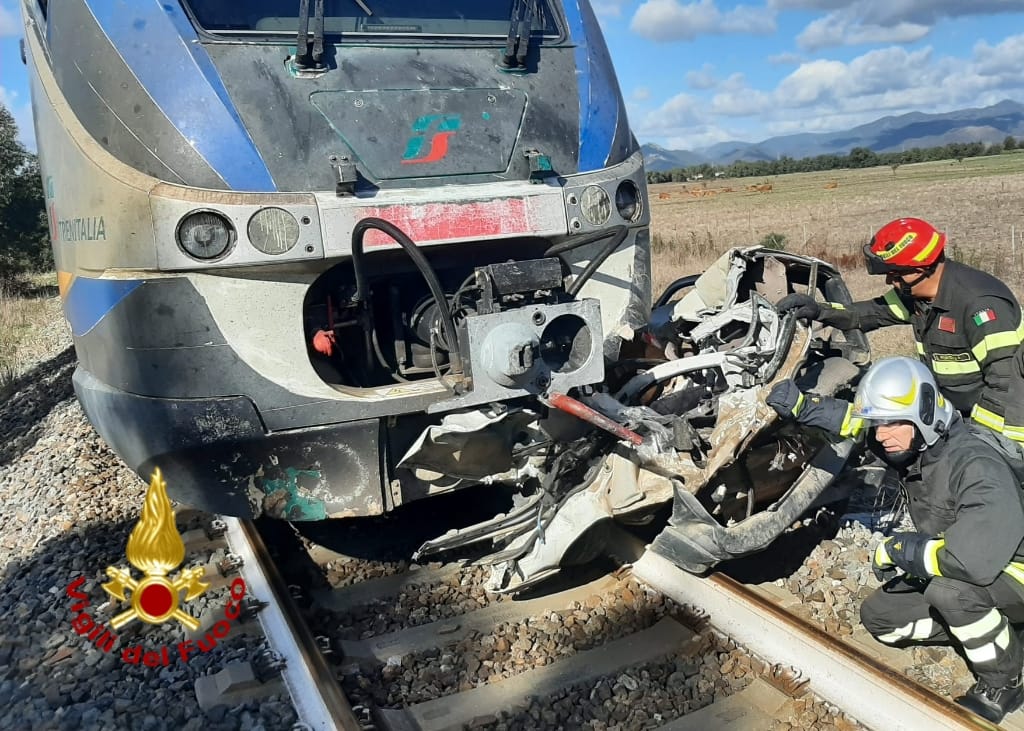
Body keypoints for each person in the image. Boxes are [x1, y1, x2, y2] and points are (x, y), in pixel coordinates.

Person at [768, 356, 1024, 723]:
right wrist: (801, 407)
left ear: (923, 415)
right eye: (878, 423)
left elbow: (971, 561)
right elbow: (853, 422)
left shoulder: (974, 464)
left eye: (891, 422)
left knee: (950, 593)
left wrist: (900, 550)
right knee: (881, 618)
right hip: (977, 568)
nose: (881, 433)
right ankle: (993, 629)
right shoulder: (919, 445)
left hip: (1010, 567)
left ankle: (1005, 679)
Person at [776, 217, 1024, 477]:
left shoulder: (980, 305)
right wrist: (819, 311)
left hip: (1004, 427)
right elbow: (868, 313)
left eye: (895, 274)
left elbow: (1004, 386)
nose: (890, 282)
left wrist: (972, 447)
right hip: (960, 412)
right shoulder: (918, 296)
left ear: (922, 267)